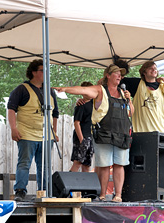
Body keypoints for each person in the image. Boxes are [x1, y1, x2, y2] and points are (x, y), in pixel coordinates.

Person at [53, 64, 134, 203]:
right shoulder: (100, 90)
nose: (119, 75)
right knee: (103, 165)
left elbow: (130, 113)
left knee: (119, 165)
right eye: (116, 73)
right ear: (108, 75)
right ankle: (102, 195)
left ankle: (118, 195)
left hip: (121, 134)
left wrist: (129, 100)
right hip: (104, 134)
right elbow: (83, 89)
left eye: (121, 73)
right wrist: (64, 89)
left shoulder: (123, 93)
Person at [7, 59, 59, 201]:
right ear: (34, 72)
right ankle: (20, 191)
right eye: (43, 70)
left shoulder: (50, 91)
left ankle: (44, 191)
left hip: (46, 135)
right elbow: (11, 109)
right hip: (27, 133)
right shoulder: (21, 89)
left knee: (45, 166)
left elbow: (55, 113)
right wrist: (13, 128)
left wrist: (54, 131)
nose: (46, 73)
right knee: (24, 163)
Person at [120, 60, 164, 133]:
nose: (154, 69)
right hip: (140, 132)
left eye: (155, 68)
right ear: (144, 72)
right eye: (150, 68)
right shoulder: (137, 84)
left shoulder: (162, 86)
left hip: (160, 131)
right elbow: (117, 78)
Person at [70, 81, 94, 172]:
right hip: (82, 136)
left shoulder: (94, 104)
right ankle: (69, 184)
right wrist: (81, 139)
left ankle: (86, 185)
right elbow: (77, 123)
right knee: (78, 162)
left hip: (90, 137)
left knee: (87, 164)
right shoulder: (81, 105)